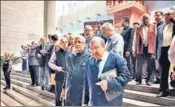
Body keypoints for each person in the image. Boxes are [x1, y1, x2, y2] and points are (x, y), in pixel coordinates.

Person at [82, 37, 131, 106]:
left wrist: (109, 83)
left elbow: (127, 76)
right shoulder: (88, 62)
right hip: (94, 103)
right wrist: (85, 102)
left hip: (111, 102)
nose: (93, 51)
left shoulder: (116, 58)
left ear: (104, 46)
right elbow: (87, 83)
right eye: (91, 48)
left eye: (96, 47)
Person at [60, 35, 91, 106]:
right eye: (75, 42)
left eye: (79, 42)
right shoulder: (70, 57)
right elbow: (67, 74)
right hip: (69, 92)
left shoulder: (90, 57)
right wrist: (64, 89)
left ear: (85, 44)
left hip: (82, 94)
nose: (77, 44)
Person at [133, 13, 156, 85]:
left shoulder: (153, 27)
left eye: (146, 18)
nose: (145, 20)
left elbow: (156, 39)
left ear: (149, 19)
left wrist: (155, 50)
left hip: (150, 48)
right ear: (142, 20)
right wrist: (134, 50)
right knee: (139, 65)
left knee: (150, 64)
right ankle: (138, 80)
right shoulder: (138, 28)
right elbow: (134, 40)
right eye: (144, 19)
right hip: (140, 48)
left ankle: (150, 80)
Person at [48, 37, 72, 106]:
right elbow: (50, 63)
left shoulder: (71, 53)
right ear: (59, 44)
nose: (64, 44)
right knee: (58, 97)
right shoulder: (56, 53)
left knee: (67, 98)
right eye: (62, 42)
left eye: (66, 42)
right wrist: (57, 68)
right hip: (59, 78)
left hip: (69, 78)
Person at [157, 10, 175, 97]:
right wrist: (157, 53)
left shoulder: (174, 25)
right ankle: (163, 90)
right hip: (164, 50)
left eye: (168, 15)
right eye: (165, 15)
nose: (167, 16)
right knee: (164, 71)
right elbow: (157, 41)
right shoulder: (161, 27)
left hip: (173, 49)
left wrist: (173, 20)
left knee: (174, 70)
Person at [154, 11, 165, 84]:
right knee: (156, 64)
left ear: (162, 16)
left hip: (162, 48)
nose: (156, 17)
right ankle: (158, 78)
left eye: (158, 15)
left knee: (161, 65)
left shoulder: (164, 25)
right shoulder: (154, 26)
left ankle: (162, 80)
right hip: (155, 48)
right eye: (155, 16)